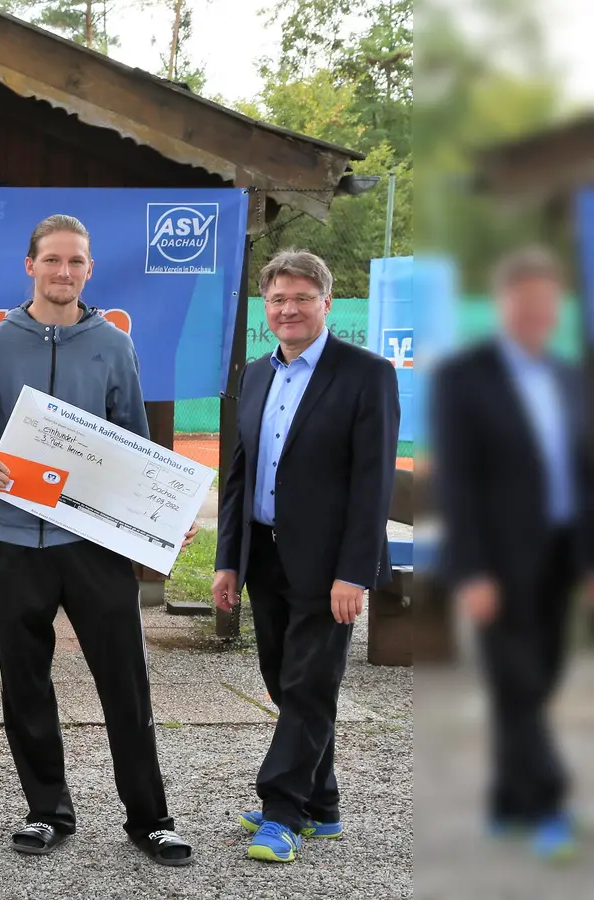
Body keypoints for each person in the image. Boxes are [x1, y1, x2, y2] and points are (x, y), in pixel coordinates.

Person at [0, 214, 194, 866]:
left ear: (89, 270)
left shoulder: (114, 346)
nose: (64, 272)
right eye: (53, 260)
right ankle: (47, 811)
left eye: (76, 262)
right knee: (25, 685)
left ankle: (150, 819)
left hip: (94, 547)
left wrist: (163, 512)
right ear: (30, 265)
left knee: (126, 683)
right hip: (15, 540)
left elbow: (138, 450)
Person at [212, 249, 399, 864]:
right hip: (264, 556)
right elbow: (239, 475)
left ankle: (282, 810)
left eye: (300, 298)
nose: (288, 310)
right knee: (284, 681)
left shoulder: (366, 374)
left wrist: (355, 571)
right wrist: (228, 560)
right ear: (266, 308)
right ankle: (323, 804)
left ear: (326, 301)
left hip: (329, 568)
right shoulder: (257, 375)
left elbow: (373, 484)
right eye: (277, 300)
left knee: (309, 683)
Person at [432, 246, 591, 862]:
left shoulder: (570, 378)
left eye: (545, 305)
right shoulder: (464, 378)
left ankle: (506, 797)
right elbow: (458, 483)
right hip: (497, 561)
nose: (535, 314)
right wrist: (470, 569)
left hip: (560, 552)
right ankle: (548, 805)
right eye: (523, 304)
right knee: (520, 681)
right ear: (503, 307)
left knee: (539, 679)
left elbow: (584, 474)